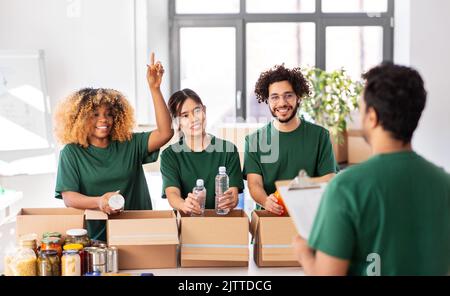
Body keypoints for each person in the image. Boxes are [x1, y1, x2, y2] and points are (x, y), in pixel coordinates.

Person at [293, 62, 450, 276]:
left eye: (361, 108)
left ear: (372, 116)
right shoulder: (444, 183)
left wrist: (303, 253)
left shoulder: (346, 187)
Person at [54, 53, 173, 241]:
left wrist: (155, 88)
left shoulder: (130, 144)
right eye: (95, 114)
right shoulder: (72, 153)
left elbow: (166, 132)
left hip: (140, 232)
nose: (103, 119)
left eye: (108, 114)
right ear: (81, 119)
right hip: (97, 239)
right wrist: (99, 202)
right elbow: (69, 197)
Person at [244, 64, 338, 215]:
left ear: (298, 97)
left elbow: (329, 178)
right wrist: (266, 201)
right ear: (267, 100)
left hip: (310, 219)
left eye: (288, 95)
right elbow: (254, 184)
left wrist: (298, 186)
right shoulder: (254, 140)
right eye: (275, 97)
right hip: (270, 220)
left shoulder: (320, 136)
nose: (282, 103)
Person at [160, 89, 244, 215]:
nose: (194, 119)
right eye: (185, 116)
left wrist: (231, 200)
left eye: (197, 111)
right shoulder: (170, 155)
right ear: (177, 122)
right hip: (187, 224)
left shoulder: (228, 151)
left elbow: (233, 194)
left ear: (204, 110)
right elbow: (172, 194)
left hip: (222, 223)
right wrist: (184, 204)